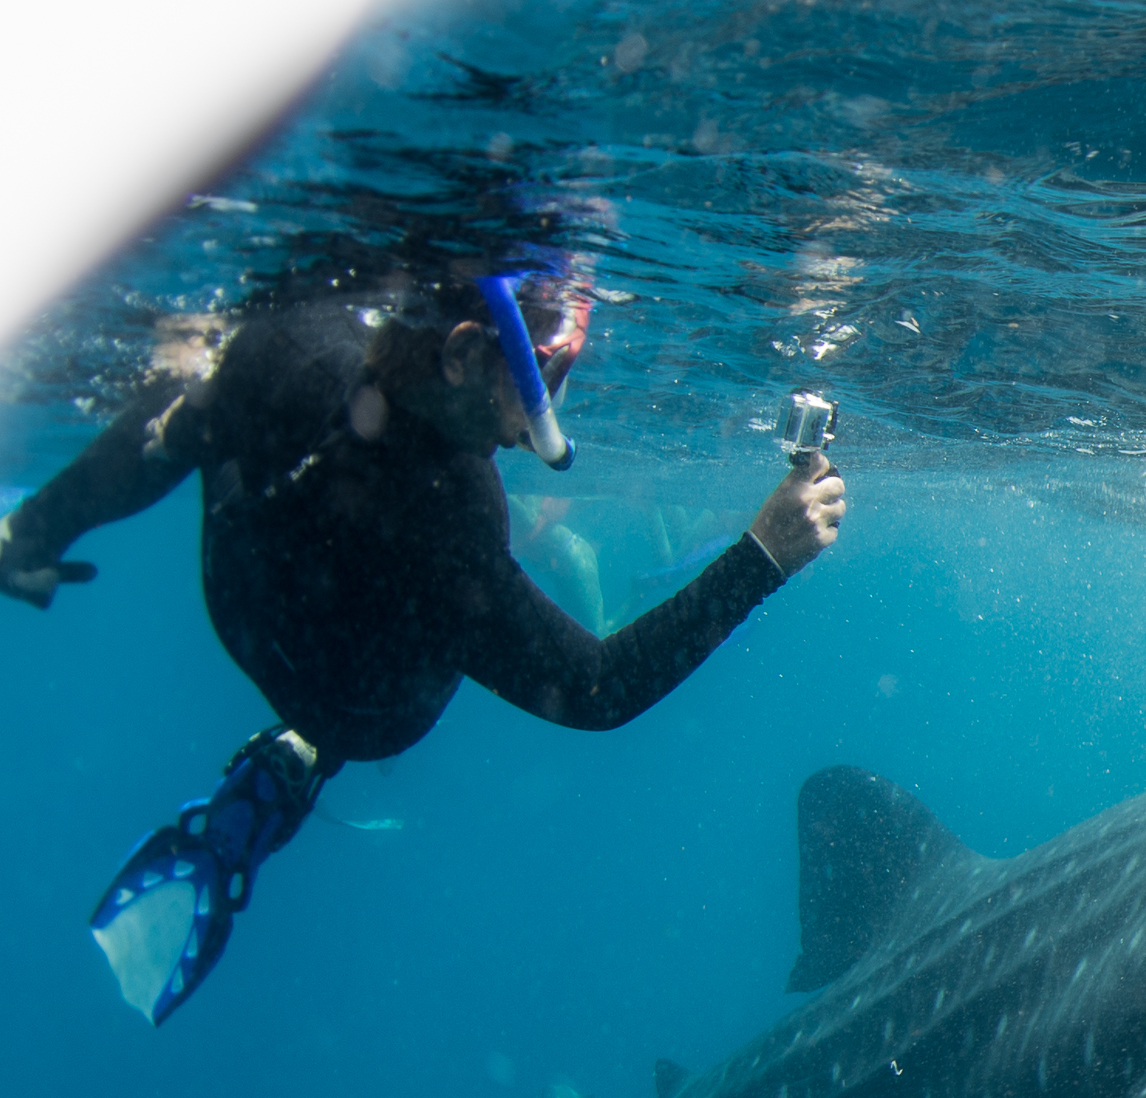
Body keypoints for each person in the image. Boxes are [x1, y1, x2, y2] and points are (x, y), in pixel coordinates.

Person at [0, 271, 846, 1023]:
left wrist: (31, 531)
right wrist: (764, 554)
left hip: (244, 605)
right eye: (545, 376)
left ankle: (284, 744)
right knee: (409, 604)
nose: (545, 413)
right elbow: (597, 688)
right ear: (464, 353)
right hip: (360, 706)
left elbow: (164, 438)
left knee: (198, 404)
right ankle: (301, 758)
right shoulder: (447, 516)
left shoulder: (288, 335)